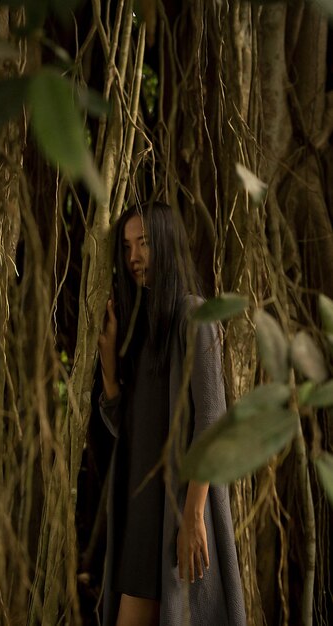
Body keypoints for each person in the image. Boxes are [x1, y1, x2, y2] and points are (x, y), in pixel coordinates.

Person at [98, 201, 246, 626]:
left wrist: (194, 515)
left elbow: (212, 423)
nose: (134, 258)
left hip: (179, 508)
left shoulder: (195, 316)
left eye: (143, 243)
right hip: (141, 512)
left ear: (167, 243)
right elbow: (128, 430)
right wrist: (109, 368)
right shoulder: (142, 328)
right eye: (127, 247)